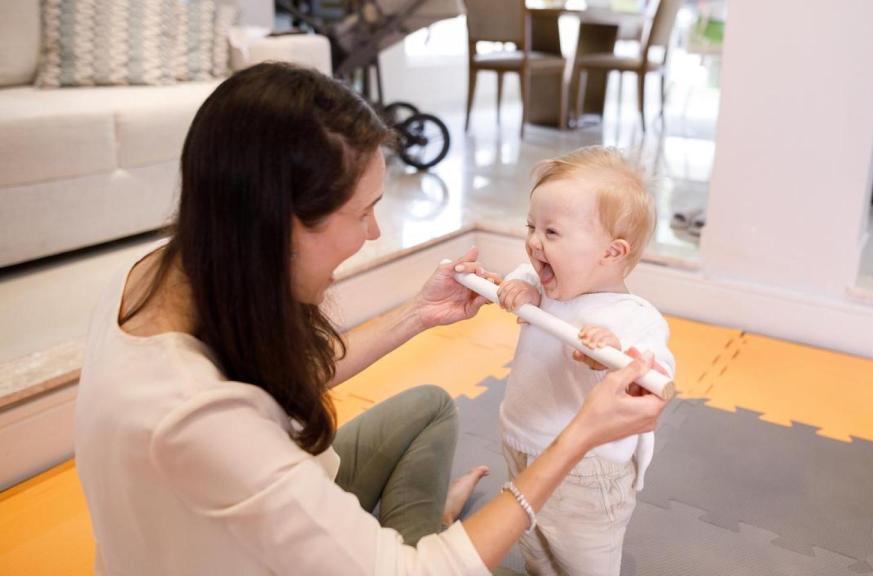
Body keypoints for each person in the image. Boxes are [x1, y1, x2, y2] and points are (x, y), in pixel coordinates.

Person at [73, 62, 669, 576]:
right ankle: (421, 538)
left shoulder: (161, 269)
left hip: (276, 500)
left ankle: (419, 531)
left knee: (430, 406)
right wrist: (580, 436)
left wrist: (418, 315)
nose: (377, 232)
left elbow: (287, 379)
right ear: (281, 223)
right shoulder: (199, 420)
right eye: (363, 213)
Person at [495, 146, 676, 576]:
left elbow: (656, 375)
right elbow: (523, 273)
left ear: (610, 253)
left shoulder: (633, 318)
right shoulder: (545, 282)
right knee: (533, 543)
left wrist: (614, 357)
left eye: (551, 232)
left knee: (582, 557)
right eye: (531, 226)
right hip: (521, 439)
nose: (533, 242)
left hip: (586, 470)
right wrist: (521, 288)